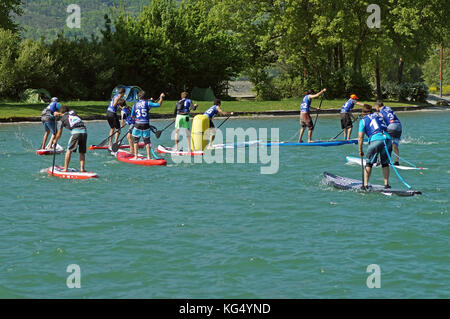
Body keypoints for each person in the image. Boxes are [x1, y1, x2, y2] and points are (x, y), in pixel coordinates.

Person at [358, 104, 393, 189]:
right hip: (388, 139)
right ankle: (386, 185)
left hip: (376, 140)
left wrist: (360, 150)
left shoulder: (363, 120)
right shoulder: (379, 116)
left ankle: (365, 185)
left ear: (363, 112)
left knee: (369, 163)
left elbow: (360, 137)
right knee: (385, 163)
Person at [131, 91, 165, 160]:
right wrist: (161, 97)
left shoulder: (134, 105)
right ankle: (149, 157)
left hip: (137, 124)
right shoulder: (148, 103)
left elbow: (132, 116)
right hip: (146, 124)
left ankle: (136, 156)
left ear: (138, 97)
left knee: (135, 141)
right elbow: (159, 104)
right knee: (147, 142)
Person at [53, 106, 88, 172]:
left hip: (76, 133)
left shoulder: (61, 120)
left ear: (61, 112)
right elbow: (67, 112)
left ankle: (65, 169)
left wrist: (55, 140)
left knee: (69, 151)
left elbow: (59, 134)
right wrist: (58, 113)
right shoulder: (73, 112)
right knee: (82, 152)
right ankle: (82, 169)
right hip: (84, 131)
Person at [375, 101, 402, 165]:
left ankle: (381, 160)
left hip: (391, 126)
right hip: (398, 125)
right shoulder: (389, 108)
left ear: (377, 106)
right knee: (394, 144)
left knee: (383, 143)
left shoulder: (380, 112)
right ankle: (396, 161)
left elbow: (381, 122)